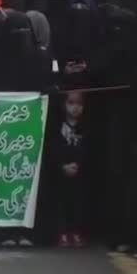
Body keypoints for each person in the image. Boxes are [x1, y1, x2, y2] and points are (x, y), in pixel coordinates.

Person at [52, 90, 87, 248]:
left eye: (79, 104)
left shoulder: (86, 127)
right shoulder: (57, 127)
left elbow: (89, 149)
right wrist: (62, 166)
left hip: (80, 172)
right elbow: (52, 149)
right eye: (71, 103)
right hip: (61, 172)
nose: (75, 108)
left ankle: (76, 232)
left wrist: (78, 164)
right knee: (61, 201)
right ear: (64, 105)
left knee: (78, 202)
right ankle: (62, 233)